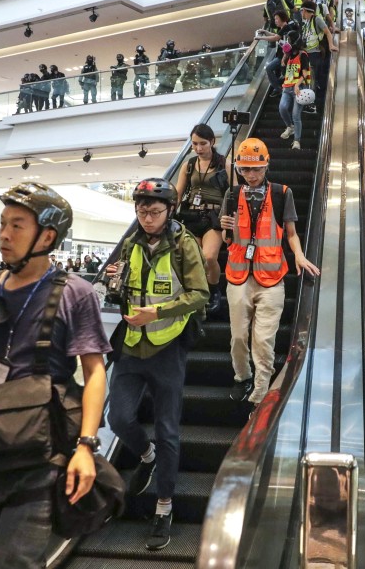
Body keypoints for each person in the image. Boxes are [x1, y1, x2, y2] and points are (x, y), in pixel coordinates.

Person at [0, 182, 110, 569]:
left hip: (37, 456)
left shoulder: (75, 293)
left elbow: (95, 373)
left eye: (17, 226)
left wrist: (86, 447)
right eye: (2, 224)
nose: (4, 235)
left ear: (47, 236)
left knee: (16, 560)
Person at [103, 178, 208, 552]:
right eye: (141, 211)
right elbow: (124, 289)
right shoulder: (131, 244)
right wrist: (118, 285)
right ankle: (145, 457)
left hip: (167, 348)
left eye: (154, 211)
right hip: (132, 345)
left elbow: (200, 294)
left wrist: (157, 312)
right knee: (118, 418)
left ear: (170, 211)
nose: (146, 218)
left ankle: (164, 507)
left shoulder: (184, 245)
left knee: (168, 431)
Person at [220, 138, 320, 405]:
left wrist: (298, 255)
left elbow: (290, 233)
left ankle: (261, 392)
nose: (251, 175)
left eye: (257, 169)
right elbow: (227, 240)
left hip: (271, 276)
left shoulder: (281, 193)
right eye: (245, 170)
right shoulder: (231, 195)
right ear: (239, 169)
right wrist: (224, 227)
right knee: (239, 336)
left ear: (266, 166)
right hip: (238, 275)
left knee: (264, 339)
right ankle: (242, 376)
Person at [174, 124, 231, 316]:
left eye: (203, 143)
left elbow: (234, 193)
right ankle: (197, 293)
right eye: (195, 144)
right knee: (192, 259)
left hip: (214, 217)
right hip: (191, 215)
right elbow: (178, 193)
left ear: (212, 142)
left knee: (208, 257)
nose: (199, 148)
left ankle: (214, 291)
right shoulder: (189, 165)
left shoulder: (224, 163)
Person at [297, 0, 338, 110]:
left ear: (305, 10)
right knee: (308, 78)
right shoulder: (305, 22)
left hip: (315, 54)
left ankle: (313, 104)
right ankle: (309, 102)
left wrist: (330, 45)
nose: (301, 13)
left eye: (302, 11)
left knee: (313, 78)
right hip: (306, 54)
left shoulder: (317, 19)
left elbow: (328, 33)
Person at [277, 24, 311, 150]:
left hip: (299, 88)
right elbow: (282, 68)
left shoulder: (303, 55)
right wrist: (285, 56)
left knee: (296, 114)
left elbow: (305, 73)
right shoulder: (289, 55)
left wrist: (297, 85)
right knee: (282, 108)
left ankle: (297, 141)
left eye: (289, 40)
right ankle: (289, 127)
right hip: (287, 87)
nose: (287, 43)